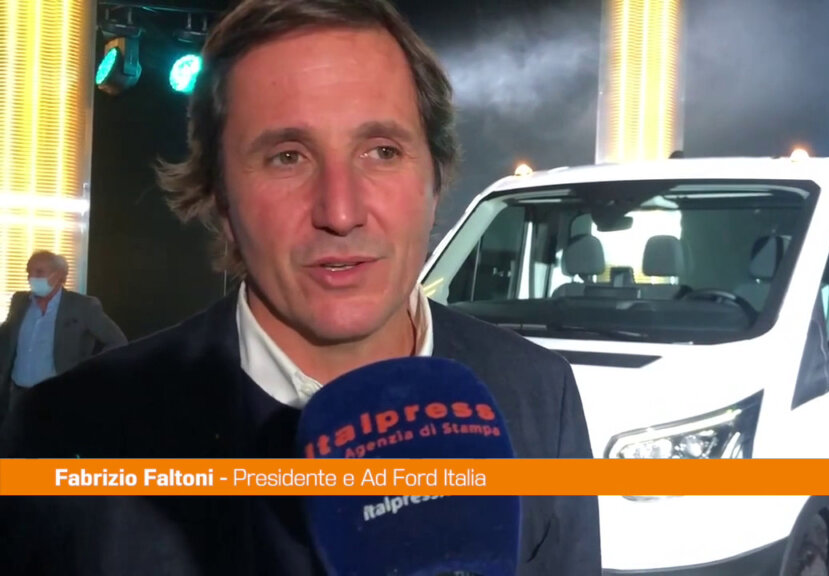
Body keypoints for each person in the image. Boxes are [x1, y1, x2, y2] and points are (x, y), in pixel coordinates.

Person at [0, 1, 601, 574]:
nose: (340, 211)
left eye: (382, 151)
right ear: (221, 198)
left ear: (435, 180)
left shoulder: (538, 396)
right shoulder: (74, 429)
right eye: (287, 157)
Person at [0, 250, 126, 423]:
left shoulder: (82, 306)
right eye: (29, 272)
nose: (31, 278)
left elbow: (116, 340)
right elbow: (7, 336)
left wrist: (90, 372)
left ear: (59, 275)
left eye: (39, 272)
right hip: (18, 395)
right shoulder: (20, 301)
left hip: (59, 395)